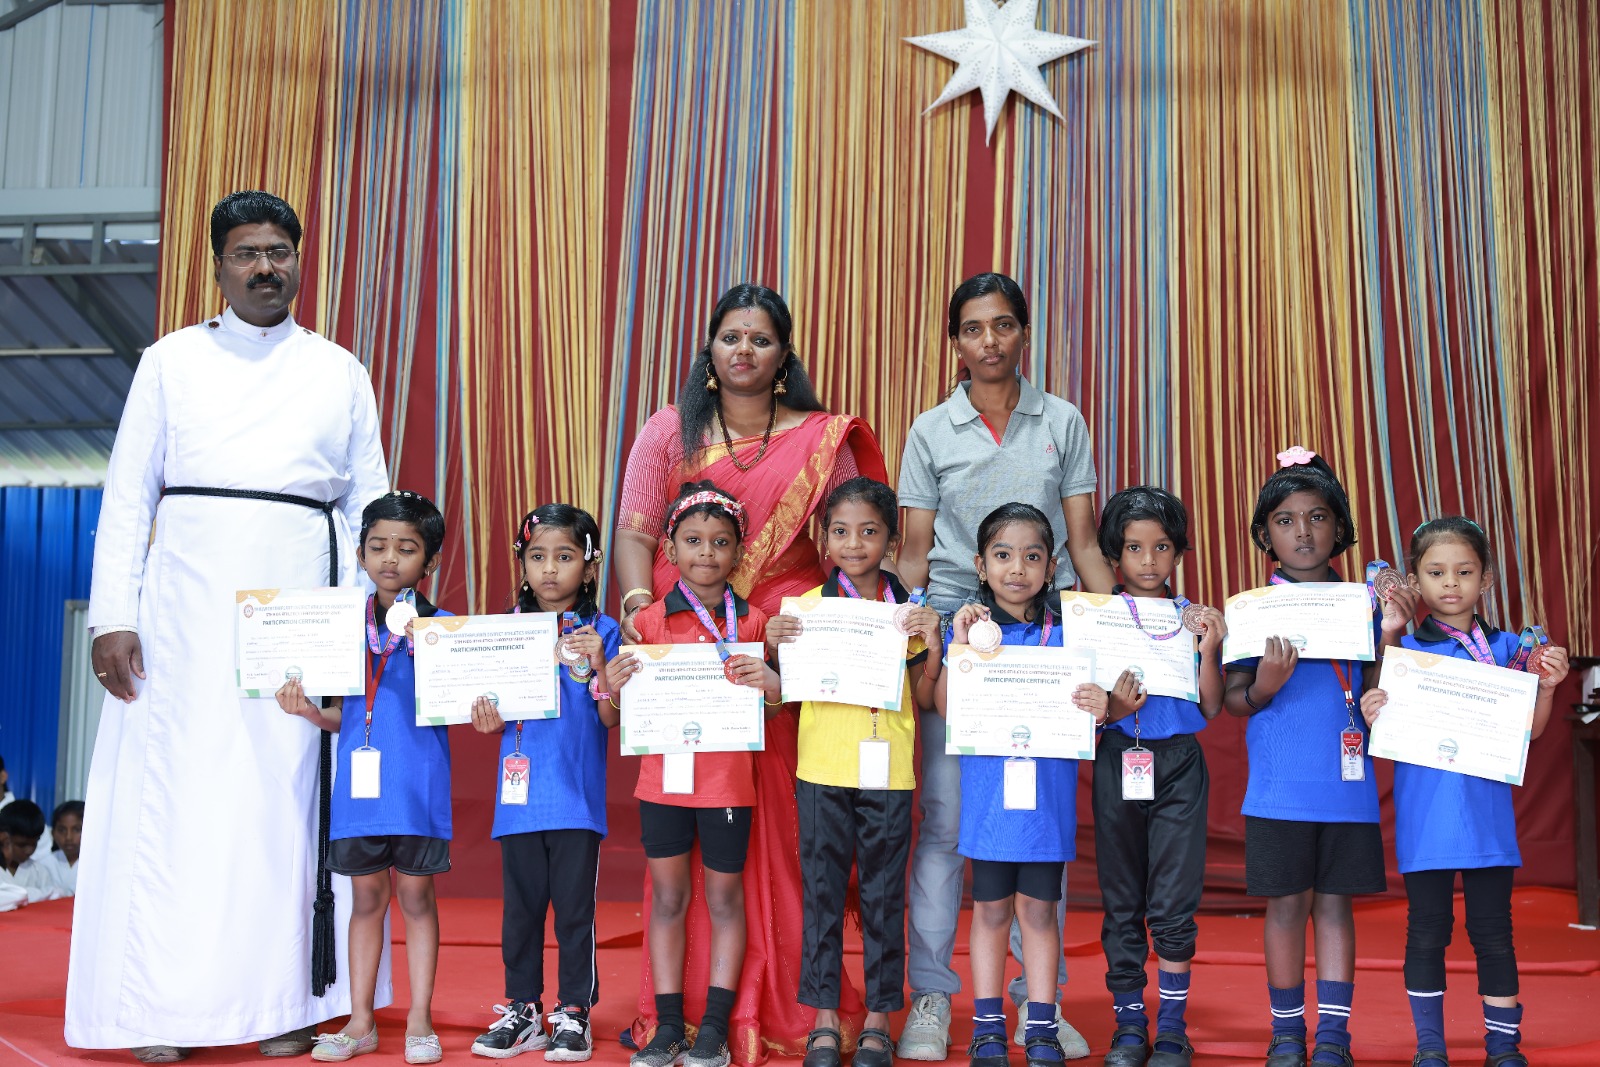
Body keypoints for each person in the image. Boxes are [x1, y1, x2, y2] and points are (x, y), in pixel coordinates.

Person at [69, 190, 390, 1062]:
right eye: (247, 252)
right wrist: (112, 617)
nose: (264, 267)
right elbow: (128, 496)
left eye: (279, 252)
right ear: (218, 266)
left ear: (298, 261)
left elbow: (371, 505)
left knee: (284, 801)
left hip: (302, 609)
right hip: (185, 615)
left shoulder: (339, 370)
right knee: (181, 802)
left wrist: (366, 619)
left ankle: (287, 1001)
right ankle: (161, 1010)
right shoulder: (169, 362)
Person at [613, 284, 887, 1060]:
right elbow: (636, 533)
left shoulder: (821, 438)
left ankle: (789, 1005)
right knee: (685, 855)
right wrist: (643, 611)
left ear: (783, 356)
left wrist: (814, 642)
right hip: (685, 652)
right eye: (730, 336)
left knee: (788, 839)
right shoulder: (669, 430)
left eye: (761, 339)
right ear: (709, 350)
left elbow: (850, 543)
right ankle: (684, 1012)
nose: (744, 350)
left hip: (781, 655)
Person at [896, 273, 1113, 1061]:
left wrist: (1118, 634)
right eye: (972, 328)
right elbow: (913, 555)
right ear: (955, 340)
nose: (989, 341)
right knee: (950, 821)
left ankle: (1034, 1002)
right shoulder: (931, 430)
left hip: (1047, 643)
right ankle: (931, 992)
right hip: (962, 645)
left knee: (1036, 823)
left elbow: (1083, 544)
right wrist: (916, 638)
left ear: (1025, 331)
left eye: (1003, 325)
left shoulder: (1062, 420)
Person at [1221, 448, 1416, 1067]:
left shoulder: (1366, 603)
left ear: (1340, 528)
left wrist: (1390, 634)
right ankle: (1286, 1033)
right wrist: (1266, 685)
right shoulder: (1252, 608)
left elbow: (1384, 689)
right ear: (1265, 534)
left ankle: (1333, 1036)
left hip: (1346, 784)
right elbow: (1233, 702)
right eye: (1285, 520)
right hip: (1278, 789)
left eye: (1317, 517)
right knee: (1286, 907)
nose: (1302, 532)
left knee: (1335, 905)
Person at [1359, 517, 1570, 1067]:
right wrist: (1374, 708)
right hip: (1426, 818)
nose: (1450, 583)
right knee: (1427, 932)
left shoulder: (1510, 648)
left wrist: (1546, 687)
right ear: (1415, 580)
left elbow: (1531, 732)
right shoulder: (1402, 650)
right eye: (1436, 572)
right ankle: (1430, 1045)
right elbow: (1377, 724)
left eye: (1464, 571)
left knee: (1494, 933)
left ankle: (1503, 1045)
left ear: (1487, 579)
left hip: (1487, 821)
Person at [764, 478, 943, 1067]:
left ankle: (878, 1018)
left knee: (882, 896)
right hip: (821, 768)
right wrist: (773, 646)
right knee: (822, 893)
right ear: (824, 538)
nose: (854, 543)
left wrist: (934, 646)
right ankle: (823, 1018)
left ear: (891, 541)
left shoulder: (908, 614)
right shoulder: (806, 611)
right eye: (840, 531)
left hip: (888, 772)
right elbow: (784, 697)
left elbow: (925, 696)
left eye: (869, 532)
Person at [609, 483, 783, 1067]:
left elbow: (773, 709)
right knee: (667, 898)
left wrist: (771, 685)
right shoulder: (645, 624)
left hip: (728, 785)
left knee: (726, 899)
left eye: (720, 542)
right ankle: (667, 1027)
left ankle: (713, 1027)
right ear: (670, 549)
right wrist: (614, 684)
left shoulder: (755, 621)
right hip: (663, 784)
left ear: (738, 551)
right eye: (693, 540)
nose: (706, 552)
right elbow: (619, 709)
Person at [278, 491, 451, 1065]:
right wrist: (308, 711)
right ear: (359, 554)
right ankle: (361, 1021)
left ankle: (420, 1020)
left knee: (417, 897)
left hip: (417, 789)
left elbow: (456, 707)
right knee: (366, 899)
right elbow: (341, 717)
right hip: (359, 790)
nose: (390, 558)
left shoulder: (444, 630)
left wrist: (450, 669)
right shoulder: (340, 628)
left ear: (429, 561)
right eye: (378, 546)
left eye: (406, 548)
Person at [935, 504, 1109, 1067]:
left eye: (1032, 557)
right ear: (980, 565)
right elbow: (946, 708)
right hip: (990, 800)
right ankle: (987, 1025)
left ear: (1052, 566)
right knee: (989, 912)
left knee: (1038, 913)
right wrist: (959, 647)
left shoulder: (1071, 634)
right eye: (1003, 555)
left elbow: (1092, 713)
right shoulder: (968, 631)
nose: (1017, 568)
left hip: (1045, 804)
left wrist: (1099, 705)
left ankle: (1040, 1024)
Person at [470, 504, 620, 1062]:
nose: (550, 569)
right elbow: (489, 714)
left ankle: (574, 1011)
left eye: (564, 556)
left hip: (576, 801)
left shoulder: (603, 631)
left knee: (576, 913)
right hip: (519, 802)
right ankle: (523, 1010)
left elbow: (610, 718)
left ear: (590, 564)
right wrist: (484, 717)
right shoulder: (502, 632)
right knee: (521, 912)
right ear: (523, 563)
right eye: (537, 556)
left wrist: (601, 664)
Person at [1092, 488, 1227, 1067]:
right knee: (1122, 896)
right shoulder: (1095, 618)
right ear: (1113, 555)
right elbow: (1085, 709)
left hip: (1178, 763)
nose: (1149, 561)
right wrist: (1113, 709)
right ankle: (1129, 1025)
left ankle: (1171, 1025)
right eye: (1134, 548)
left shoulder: (1192, 618)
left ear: (1178, 553)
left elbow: (1212, 706)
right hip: (1118, 755)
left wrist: (1211, 649)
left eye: (1162, 547)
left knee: (1173, 898)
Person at [0, 799, 65, 905]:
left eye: (34, 843)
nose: (29, 850)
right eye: (21, 845)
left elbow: (55, 895)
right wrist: (39, 894)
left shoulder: (39, 872)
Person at [46, 800, 85, 895]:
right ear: (53, 833)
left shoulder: (99, 864)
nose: (68, 837)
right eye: (62, 830)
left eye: (77, 830)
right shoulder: (44, 864)